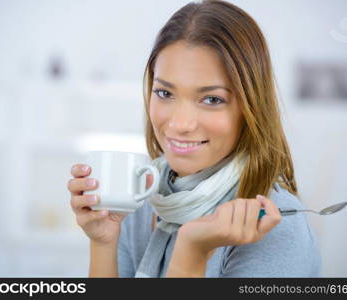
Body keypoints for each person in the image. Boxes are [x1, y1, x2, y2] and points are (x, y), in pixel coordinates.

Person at [67, 0, 321, 278]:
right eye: (165, 93)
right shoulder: (142, 200)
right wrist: (103, 242)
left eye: (211, 99)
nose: (179, 124)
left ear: (250, 109)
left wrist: (191, 253)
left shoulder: (273, 224)